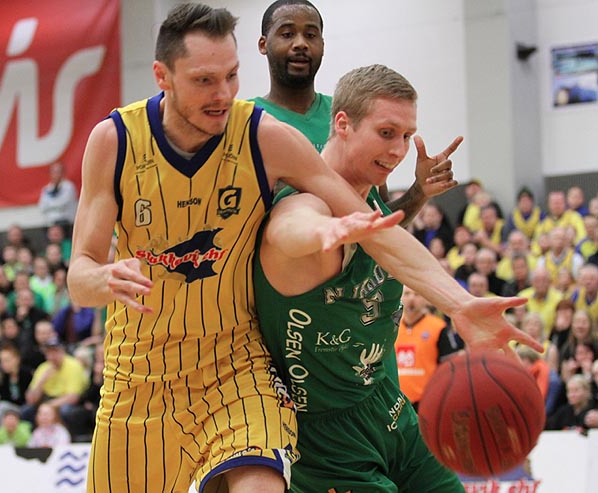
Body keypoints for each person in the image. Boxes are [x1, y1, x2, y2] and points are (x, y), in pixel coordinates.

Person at [67, 4, 535, 493]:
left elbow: (375, 228)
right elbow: (79, 277)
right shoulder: (114, 141)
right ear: (162, 76)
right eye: (205, 80)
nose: (223, 94)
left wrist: (459, 302)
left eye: (231, 76)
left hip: (236, 367)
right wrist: (100, 278)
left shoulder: (263, 136)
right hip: (140, 373)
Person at [253, 65, 540, 493]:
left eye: (407, 136)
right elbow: (285, 229)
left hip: (387, 406)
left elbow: (392, 246)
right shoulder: (307, 203)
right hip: (324, 439)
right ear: (343, 124)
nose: (399, 149)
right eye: (387, 133)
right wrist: (321, 232)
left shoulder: (371, 199)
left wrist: (461, 305)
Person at [254, 0, 457, 221]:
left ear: (323, 44)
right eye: (287, 34)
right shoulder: (248, 119)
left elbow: (380, 220)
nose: (301, 44)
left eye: (311, 35)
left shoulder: (353, 111)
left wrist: (419, 191)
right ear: (263, 44)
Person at [395, 286, 463, 410]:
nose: (411, 298)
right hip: (396, 402)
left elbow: (451, 366)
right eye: (407, 294)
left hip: (428, 401)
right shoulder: (391, 328)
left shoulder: (438, 327)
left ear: (426, 299)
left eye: (417, 294)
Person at [38, 162, 78, 236]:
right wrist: (56, 205)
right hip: (50, 224)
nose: (56, 174)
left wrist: (50, 206)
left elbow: (63, 204)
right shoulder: (46, 189)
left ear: (63, 173)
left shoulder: (69, 187)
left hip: (66, 224)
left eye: (58, 172)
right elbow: (42, 207)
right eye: (54, 172)